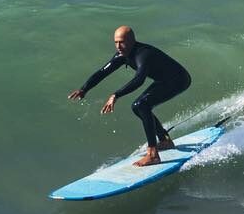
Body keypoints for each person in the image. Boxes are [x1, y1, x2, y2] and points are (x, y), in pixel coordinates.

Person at [69, 26, 192, 167]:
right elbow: (102, 72)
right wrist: (84, 89)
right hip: (164, 80)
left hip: (179, 80)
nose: (118, 46)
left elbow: (139, 80)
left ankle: (153, 154)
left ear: (132, 41)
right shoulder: (122, 55)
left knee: (141, 105)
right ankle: (164, 140)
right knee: (137, 107)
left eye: (121, 42)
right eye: (115, 42)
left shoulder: (143, 54)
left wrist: (116, 95)